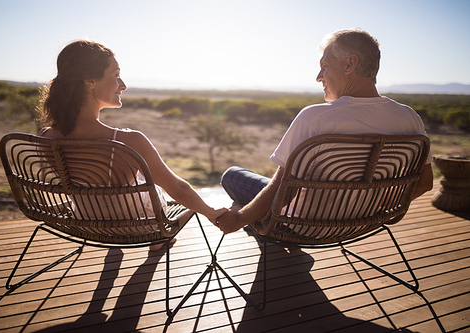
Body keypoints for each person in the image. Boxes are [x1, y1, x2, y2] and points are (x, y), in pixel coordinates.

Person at [216, 28, 434, 234]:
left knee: (232, 176)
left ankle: (258, 229)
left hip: (300, 226)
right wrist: (371, 208)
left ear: (350, 64)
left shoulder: (315, 118)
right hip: (361, 224)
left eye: (325, 65)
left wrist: (240, 217)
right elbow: (425, 183)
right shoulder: (409, 118)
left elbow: (282, 192)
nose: (319, 76)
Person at [38, 40, 226, 250]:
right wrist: (212, 213)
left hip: (86, 220)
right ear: (90, 80)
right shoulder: (129, 141)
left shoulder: (46, 137)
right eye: (116, 75)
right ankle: (159, 238)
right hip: (138, 226)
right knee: (174, 194)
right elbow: (180, 191)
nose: (123, 85)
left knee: (136, 179)